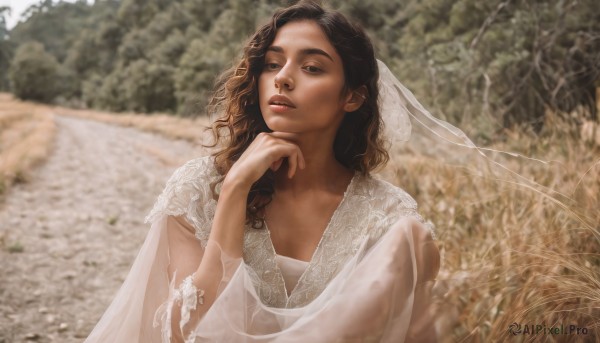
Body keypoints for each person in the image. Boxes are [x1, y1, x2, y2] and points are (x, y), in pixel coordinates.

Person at [85, 1, 440, 342]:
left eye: (312, 68)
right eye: (272, 64)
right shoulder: (197, 190)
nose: (283, 78)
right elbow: (184, 332)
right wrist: (234, 190)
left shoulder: (389, 217)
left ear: (352, 97)